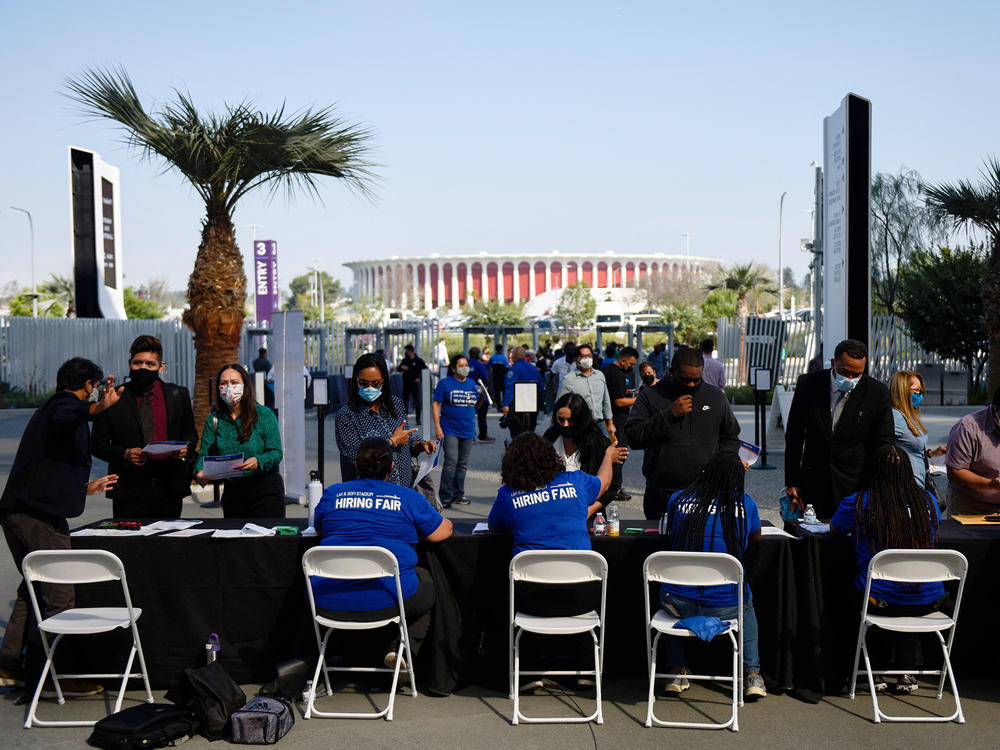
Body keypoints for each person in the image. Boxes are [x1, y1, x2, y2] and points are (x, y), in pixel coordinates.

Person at [0, 358, 120, 692]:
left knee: (34, 589)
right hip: (37, 517)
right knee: (60, 596)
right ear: (87, 386)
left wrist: (85, 488)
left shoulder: (52, 408)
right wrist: (97, 409)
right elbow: (66, 416)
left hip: (21, 511)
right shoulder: (65, 406)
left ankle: (10, 663)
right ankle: (54, 677)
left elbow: (50, 465)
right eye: (93, 387)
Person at [312, 437, 453, 666]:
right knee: (426, 580)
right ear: (391, 467)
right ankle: (402, 650)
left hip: (328, 598)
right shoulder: (408, 497)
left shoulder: (332, 494)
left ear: (356, 465)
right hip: (388, 597)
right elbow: (441, 532)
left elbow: (319, 528)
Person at [831, 444, 947, 694]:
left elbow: (835, 528)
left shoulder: (860, 502)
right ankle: (905, 670)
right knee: (908, 597)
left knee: (849, 593)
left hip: (878, 599)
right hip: (927, 600)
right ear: (907, 471)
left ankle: (868, 668)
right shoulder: (927, 502)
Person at [658, 454, 766, 700]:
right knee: (746, 601)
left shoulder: (678, 499)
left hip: (678, 604)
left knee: (671, 592)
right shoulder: (746, 504)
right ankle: (752, 675)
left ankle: (675, 670)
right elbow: (756, 541)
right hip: (725, 606)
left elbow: (672, 534)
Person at [625, 346, 741, 520]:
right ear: (671, 371)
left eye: (697, 380)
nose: (692, 385)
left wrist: (724, 465)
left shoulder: (715, 396)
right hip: (662, 493)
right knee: (663, 544)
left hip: (707, 490)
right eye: (686, 380)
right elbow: (633, 437)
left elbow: (731, 437)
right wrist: (669, 415)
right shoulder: (650, 395)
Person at [784, 339, 894, 519]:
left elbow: (883, 443)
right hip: (814, 482)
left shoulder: (876, 392)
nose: (850, 378)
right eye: (845, 372)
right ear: (834, 364)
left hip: (855, 484)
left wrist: (879, 487)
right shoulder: (809, 384)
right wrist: (792, 481)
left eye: (856, 374)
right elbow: (794, 435)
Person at [92, 335, 198, 519]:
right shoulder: (115, 397)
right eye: (137, 363)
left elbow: (190, 433)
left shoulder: (178, 394)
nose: (143, 368)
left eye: (150, 364)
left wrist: (185, 449)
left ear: (161, 366)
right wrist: (125, 453)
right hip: (129, 491)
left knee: (169, 544)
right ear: (129, 363)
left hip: (169, 488)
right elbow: (97, 444)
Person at [194, 364, 285, 518]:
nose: (229, 387)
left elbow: (276, 452)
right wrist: (200, 472)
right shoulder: (215, 420)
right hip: (233, 493)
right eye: (223, 383)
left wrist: (258, 460)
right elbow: (204, 453)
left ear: (245, 386)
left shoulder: (264, 415)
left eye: (234, 382)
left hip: (265, 492)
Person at [335, 353, 434, 489]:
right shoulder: (346, 415)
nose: (370, 388)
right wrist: (391, 442)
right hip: (368, 494)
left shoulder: (396, 405)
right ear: (356, 381)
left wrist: (420, 445)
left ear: (384, 381)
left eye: (375, 383)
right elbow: (354, 457)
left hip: (403, 491)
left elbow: (406, 441)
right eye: (363, 383)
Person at [543, 393, 627, 512]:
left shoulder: (598, 442)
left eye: (571, 420)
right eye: (561, 420)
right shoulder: (549, 438)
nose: (565, 425)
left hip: (588, 516)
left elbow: (613, 485)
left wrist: (589, 511)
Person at [944, 386, 1000, 515]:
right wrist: (990, 484)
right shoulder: (968, 427)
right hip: (970, 507)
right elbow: (955, 471)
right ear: (994, 409)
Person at [433, 354, 479, 508]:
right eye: (461, 365)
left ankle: (458, 494)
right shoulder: (445, 383)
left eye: (466, 364)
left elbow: (473, 406)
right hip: (450, 428)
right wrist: (438, 427)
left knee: (463, 463)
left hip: (468, 428)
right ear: (453, 368)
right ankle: (445, 495)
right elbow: (436, 404)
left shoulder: (472, 383)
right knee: (451, 461)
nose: (464, 367)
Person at [888, 370, 946, 490]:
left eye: (920, 391)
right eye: (916, 390)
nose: (919, 395)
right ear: (902, 391)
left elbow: (908, 446)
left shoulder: (909, 416)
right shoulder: (896, 416)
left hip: (916, 486)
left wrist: (931, 453)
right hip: (904, 487)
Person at [601, 345, 638, 501]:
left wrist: (627, 393)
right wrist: (639, 399)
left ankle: (611, 486)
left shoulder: (608, 370)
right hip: (616, 421)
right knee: (619, 455)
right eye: (630, 365)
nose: (631, 367)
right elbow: (619, 401)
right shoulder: (616, 375)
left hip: (611, 420)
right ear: (623, 361)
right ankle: (614, 488)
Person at [556, 343, 615, 439]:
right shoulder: (568, 380)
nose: (586, 359)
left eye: (589, 356)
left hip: (599, 425)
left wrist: (610, 423)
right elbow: (558, 406)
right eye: (582, 356)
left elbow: (606, 401)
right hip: (579, 426)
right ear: (576, 359)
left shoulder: (599, 375)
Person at [502, 346, 545, 439]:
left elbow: (510, 388)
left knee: (517, 433)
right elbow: (541, 386)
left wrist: (506, 404)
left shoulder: (514, 369)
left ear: (514, 356)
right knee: (530, 432)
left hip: (518, 406)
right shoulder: (533, 368)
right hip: (533, 405)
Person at [396, 344, 428, 427]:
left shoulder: (418, 361)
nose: (405, 352)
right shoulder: (405, 360)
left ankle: (418, 419)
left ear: (410, 351)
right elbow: (399, 369)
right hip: (406, 383)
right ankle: (404, 420)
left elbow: (425, 370)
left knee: (417, 402)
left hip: (415, 384)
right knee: (405, 402)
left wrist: (419, 378)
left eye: (406, 350)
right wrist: (401, 367)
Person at [467, 346, 494, 442]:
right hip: (479, 394)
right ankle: (483, 435)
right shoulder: (479, 365)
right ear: (478, 355)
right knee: (482, 416)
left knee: (469, 416)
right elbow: (485, 378)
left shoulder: (465, 364)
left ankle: (471, 436)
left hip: (467, 393)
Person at [488, 347, 510, 412]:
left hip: (495, 377)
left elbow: (488, 365)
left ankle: (498, 406)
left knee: (496, 392)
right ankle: (504, 405)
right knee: (504, 392)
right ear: (501, 350)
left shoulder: (493, 357)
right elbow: (507, 367)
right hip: (503, 378)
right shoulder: (503, 358)